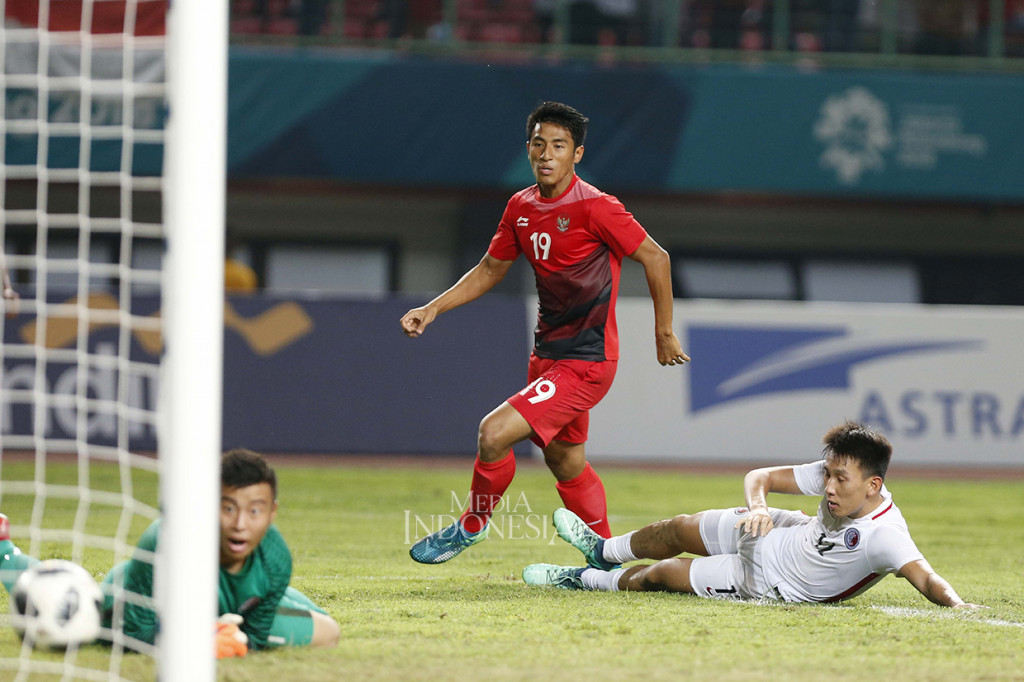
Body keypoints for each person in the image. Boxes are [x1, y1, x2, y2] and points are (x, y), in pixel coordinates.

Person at [401, 101, 689, 565]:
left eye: (558, 145)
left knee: (493, 433)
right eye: (539, 144)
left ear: (577, 154)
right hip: (548, 358)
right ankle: (606, 557)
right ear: (529, 150)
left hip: (587, 361)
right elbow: (491, 268)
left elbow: (656, 257)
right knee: (566, 461)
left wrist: (664, 332)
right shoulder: (520, 206)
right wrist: (434, 308)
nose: (546, 154)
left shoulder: (598, 207)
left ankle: (470, 527)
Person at [523, 421, 984, 609]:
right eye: (829, 474)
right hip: (782, 529)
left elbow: (927, 580)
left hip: (770, 580)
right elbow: (759, 476)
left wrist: (961, 609)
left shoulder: (885, 537)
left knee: (662, 574)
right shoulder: (833, 478)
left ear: (873, 486)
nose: (828, 486)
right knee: (681, 525)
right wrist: (761, 507)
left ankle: (580, 578)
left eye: (840, 480)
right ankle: (601, 550)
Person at [0, 449, 340, 656]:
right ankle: (3, 549)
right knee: (81, 623)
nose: (240, 524)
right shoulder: (165, 539)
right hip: (149, 605)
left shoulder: (276, 557)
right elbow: (135, 636)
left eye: (254, 511)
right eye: (228, 508)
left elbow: (256, 635)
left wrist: (235, 642)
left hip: (227, 610)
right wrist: (199, 643)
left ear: (272, 513)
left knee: (329, 632)